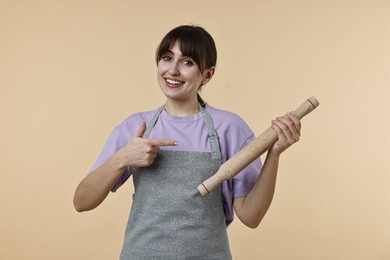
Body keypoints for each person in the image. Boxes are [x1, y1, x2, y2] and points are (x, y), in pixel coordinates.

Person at [73, 25, 301, 259]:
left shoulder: (229, 128)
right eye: (167, 58)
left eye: (187, 62)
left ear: (208, 74)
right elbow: (81, 202)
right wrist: (121, 159)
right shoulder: (134, 128)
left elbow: (251, 217)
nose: (172, 70)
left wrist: (274, 154)